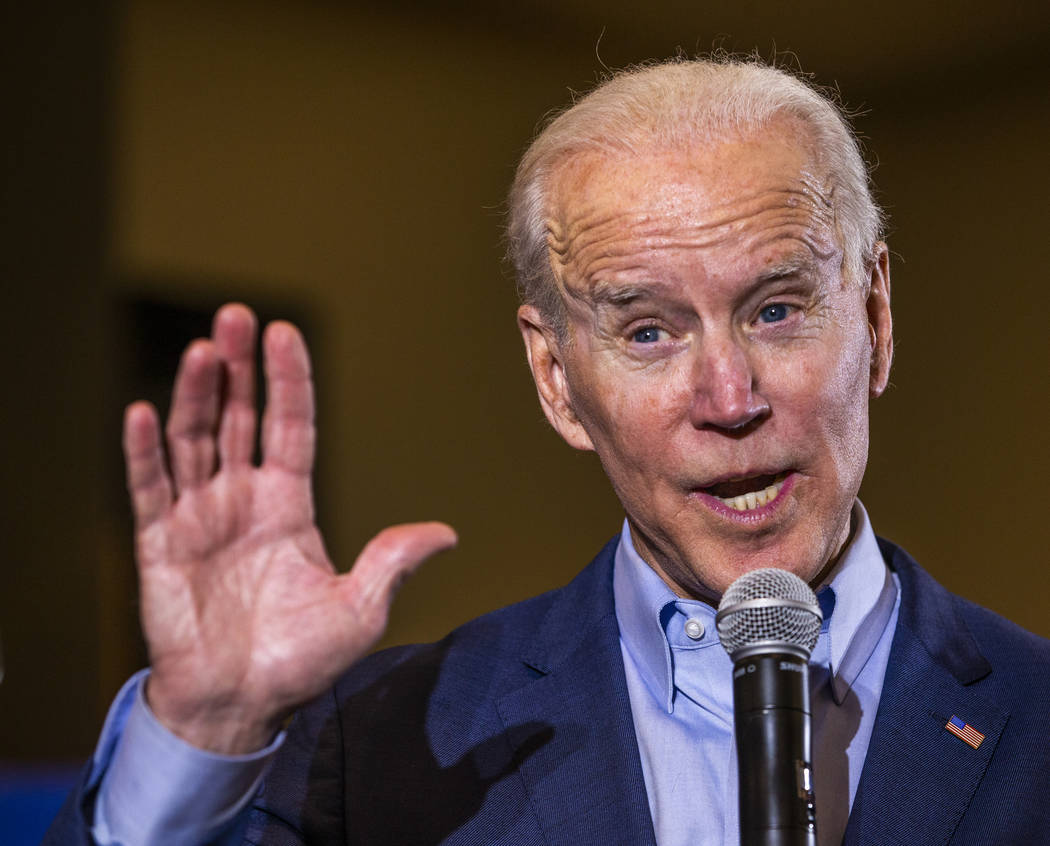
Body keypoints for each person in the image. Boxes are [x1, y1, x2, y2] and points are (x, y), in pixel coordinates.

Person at [47, 57, 1050, 845]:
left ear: (874, 317)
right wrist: (204, 730)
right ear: (557, 381)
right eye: (649, 331)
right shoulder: (379, 745)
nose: (730, 399)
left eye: (778, 309)